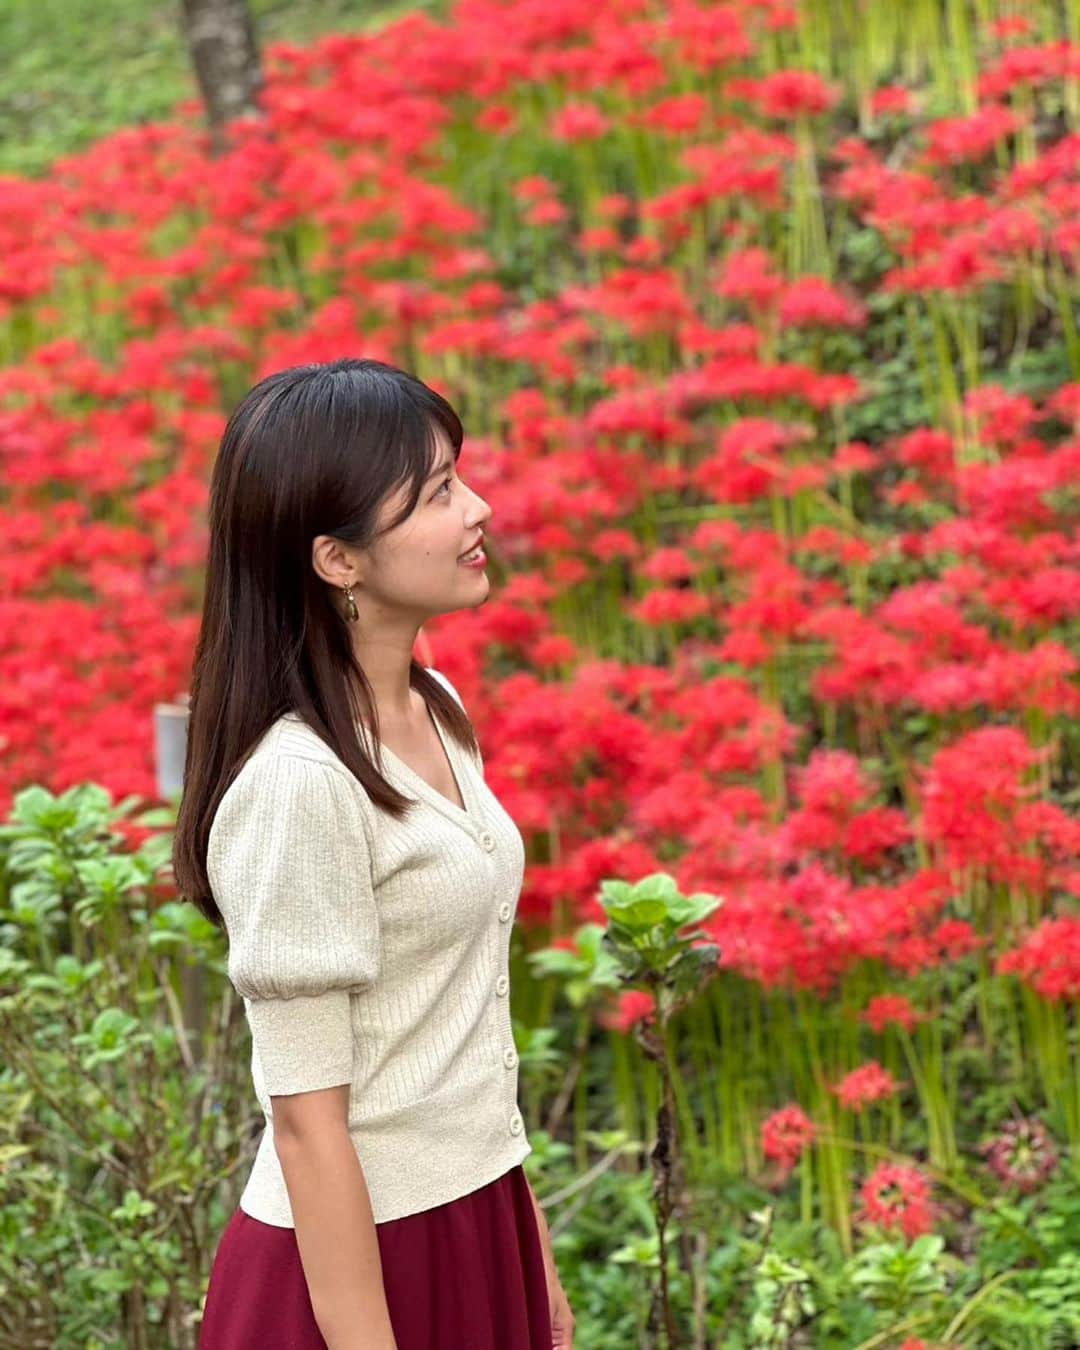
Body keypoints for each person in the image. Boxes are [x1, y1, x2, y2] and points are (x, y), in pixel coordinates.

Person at [171, 358, 575, 1349]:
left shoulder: (439, 712)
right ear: (337, 560)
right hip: (356, 1272)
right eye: (439, 493)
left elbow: (464, 1039)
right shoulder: (299, 784)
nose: (479, 510)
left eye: (460, 476)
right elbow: (310, 1123)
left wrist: (538, 1270)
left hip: (477, 1222)